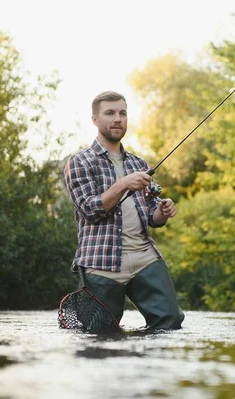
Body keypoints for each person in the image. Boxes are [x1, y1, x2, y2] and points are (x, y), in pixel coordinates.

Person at [62, 90, 184, 330]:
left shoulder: (139, 163)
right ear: (95, 119)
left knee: (170, 323)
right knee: (97, 334)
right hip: (100, 260)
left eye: (122, 113)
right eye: (110, 113)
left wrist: (162, 211)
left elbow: (151, 215)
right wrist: (122, 184)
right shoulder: (79, 162)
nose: (117, 119)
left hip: (144, 257)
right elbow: (89, 210)